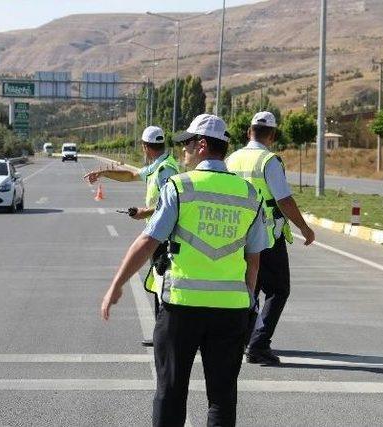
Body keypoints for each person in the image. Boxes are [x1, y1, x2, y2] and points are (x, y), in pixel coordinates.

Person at [101, 114, 268, 426]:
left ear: (202, 145)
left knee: (171, 391)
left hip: (182, 308)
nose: (183, 153)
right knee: (222, 396)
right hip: (230, 311)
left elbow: (148, 241)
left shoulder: (180, 186)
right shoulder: (249, 194)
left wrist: (117, 284)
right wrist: (247, 301)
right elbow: (254, 259)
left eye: (187, 146)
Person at [226, 111, 315, 366]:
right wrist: (305, 229)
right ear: (273, 135)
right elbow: (283, 200)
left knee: (247, 287)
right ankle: (259, 344)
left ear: (248, 131)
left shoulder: (232, 159)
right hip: (266, 236)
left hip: (236, 233)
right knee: (277, 291)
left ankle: (241, 338)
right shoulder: (269, 161)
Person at [85, 126, 180, 347]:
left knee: (163, 285)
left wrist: (142, 213)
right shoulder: (158, 166)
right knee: (159, 285)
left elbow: (168, 206)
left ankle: (165, 336)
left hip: (163, 235)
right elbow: (131, 175)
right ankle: (161, 335)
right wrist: (103, 173)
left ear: (145, 147)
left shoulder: (166, 170)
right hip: (159, 231)